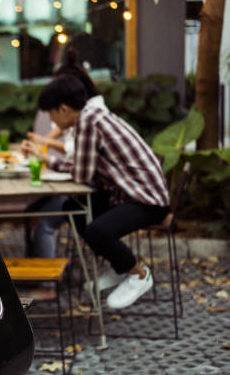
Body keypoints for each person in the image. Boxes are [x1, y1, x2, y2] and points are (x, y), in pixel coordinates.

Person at [26, 75, 170, 309]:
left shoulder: (88, 122)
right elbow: (86, 171)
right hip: (129, 193)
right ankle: (118, 266)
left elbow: (82, 175)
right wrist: (47, 159)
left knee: (96, 230)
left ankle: (139, 274)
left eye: (51, 115)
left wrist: (47, 159)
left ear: (63, 109)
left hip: (147, 200)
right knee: (73, 207)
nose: (51, 121)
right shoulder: (92, 116)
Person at [24, 48, 107, 262]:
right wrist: (42, 141)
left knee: (44, 219)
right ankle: (37, 269)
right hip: (86, 186)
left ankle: (47, 283)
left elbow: (76, 157)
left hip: (92, 192)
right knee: (34, 209)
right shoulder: (86, 111)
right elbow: (62, 132)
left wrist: (45, 148)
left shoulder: (91, 117)